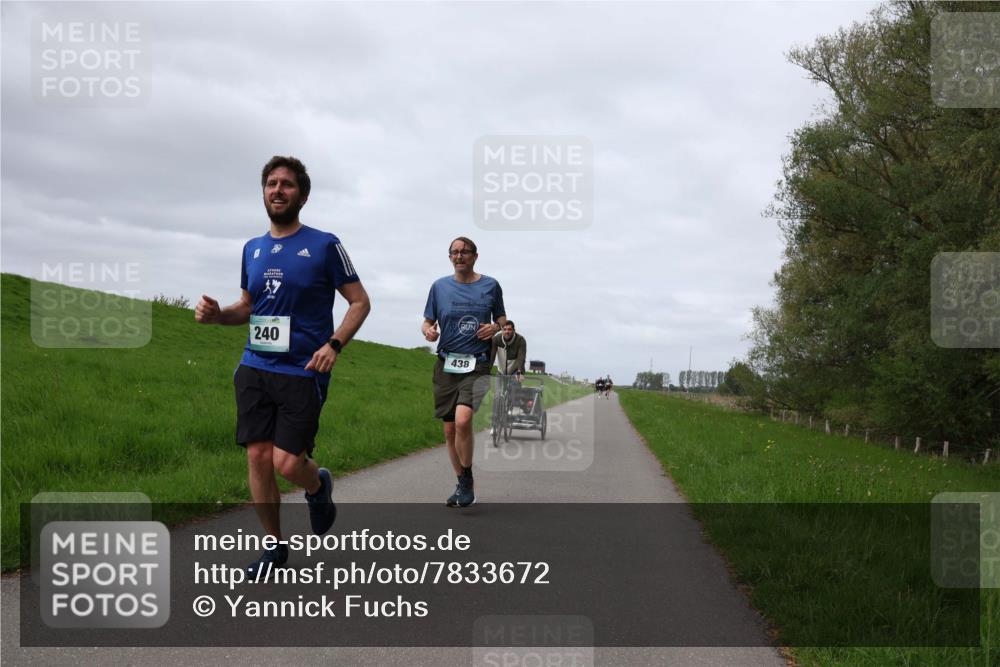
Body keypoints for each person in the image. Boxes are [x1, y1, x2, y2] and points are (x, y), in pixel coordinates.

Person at [195, 156, 371, 575]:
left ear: (303, 195)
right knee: (257, 456)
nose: (277, 190)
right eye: (271, 183)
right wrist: (221, 314)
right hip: (254, 366)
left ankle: (317, 484)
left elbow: (360, 302)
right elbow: (248, 307)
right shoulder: (252, 249)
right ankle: (274, 548)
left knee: (287, 463)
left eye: (287, 184)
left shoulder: (324, 245)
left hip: (303, 370)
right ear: (263, 192)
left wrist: (334, 344)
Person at [422, 237, 506, 507]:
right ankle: (461, 481)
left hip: (478, 363)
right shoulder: (439, 287)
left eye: (464, 252)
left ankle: (467, 477)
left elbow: (503, 323)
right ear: (450, 257)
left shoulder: (490, 286)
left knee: (462, 420)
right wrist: (428, 331)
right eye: (454, 253)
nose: (459, 256)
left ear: (475, 256)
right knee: (449, 431)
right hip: (447, 363)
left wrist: (495, 328)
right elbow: (427, 322)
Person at [490, 321, 527, 432]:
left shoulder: (520, 340)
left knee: (515, 387)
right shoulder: (496, 339)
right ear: (502, 330)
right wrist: (487, 369)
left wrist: (520, 372)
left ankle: (515, 406)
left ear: (513, 330)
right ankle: (495, 425)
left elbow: (521, 357)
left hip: (515, 370)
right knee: (497, 396)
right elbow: (492, 355)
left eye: (509, 329)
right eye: (504, 329)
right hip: (501, 371)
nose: (507, 331)